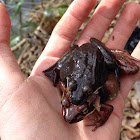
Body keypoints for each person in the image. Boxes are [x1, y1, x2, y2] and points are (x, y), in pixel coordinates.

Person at [0, 0, 140, 139]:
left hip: (93, 57)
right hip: (80, 58)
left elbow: (104, 101)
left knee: (110, 64)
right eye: (67, 101)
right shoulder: (75, 91)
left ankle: (113, 57)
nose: (73, 99)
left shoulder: (88, 94)